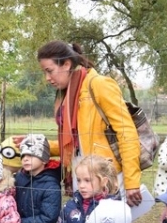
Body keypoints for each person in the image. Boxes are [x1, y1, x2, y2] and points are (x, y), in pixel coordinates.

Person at [37, 40, 142, 206]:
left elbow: (126, 133)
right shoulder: (67, 95)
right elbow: (76, 142)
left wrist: (131, 181)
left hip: (105, 179)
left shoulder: (99, 85)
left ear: (66, 64)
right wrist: (39, 146)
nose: (47, 78)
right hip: (83, 178)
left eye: (49, 71)